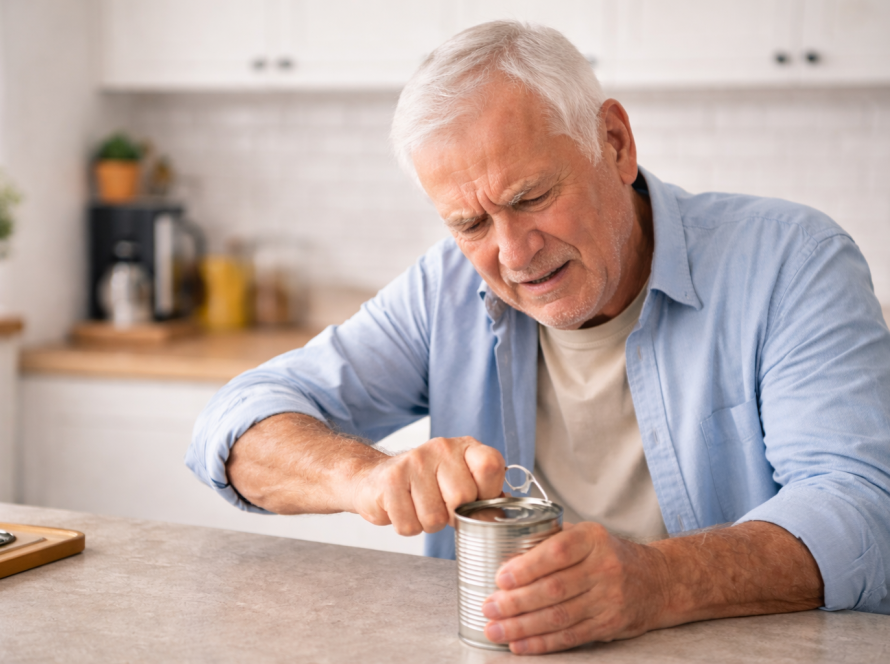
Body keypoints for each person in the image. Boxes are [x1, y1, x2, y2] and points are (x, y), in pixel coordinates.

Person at [187, 21, 890, 654]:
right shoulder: (446, 290)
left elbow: (864, 511)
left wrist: (659, 581)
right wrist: (364, 476)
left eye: (531, 198)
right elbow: (234, 425)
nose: (514, 254)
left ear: (614, 143)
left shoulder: (791, 261)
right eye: (471, 224)